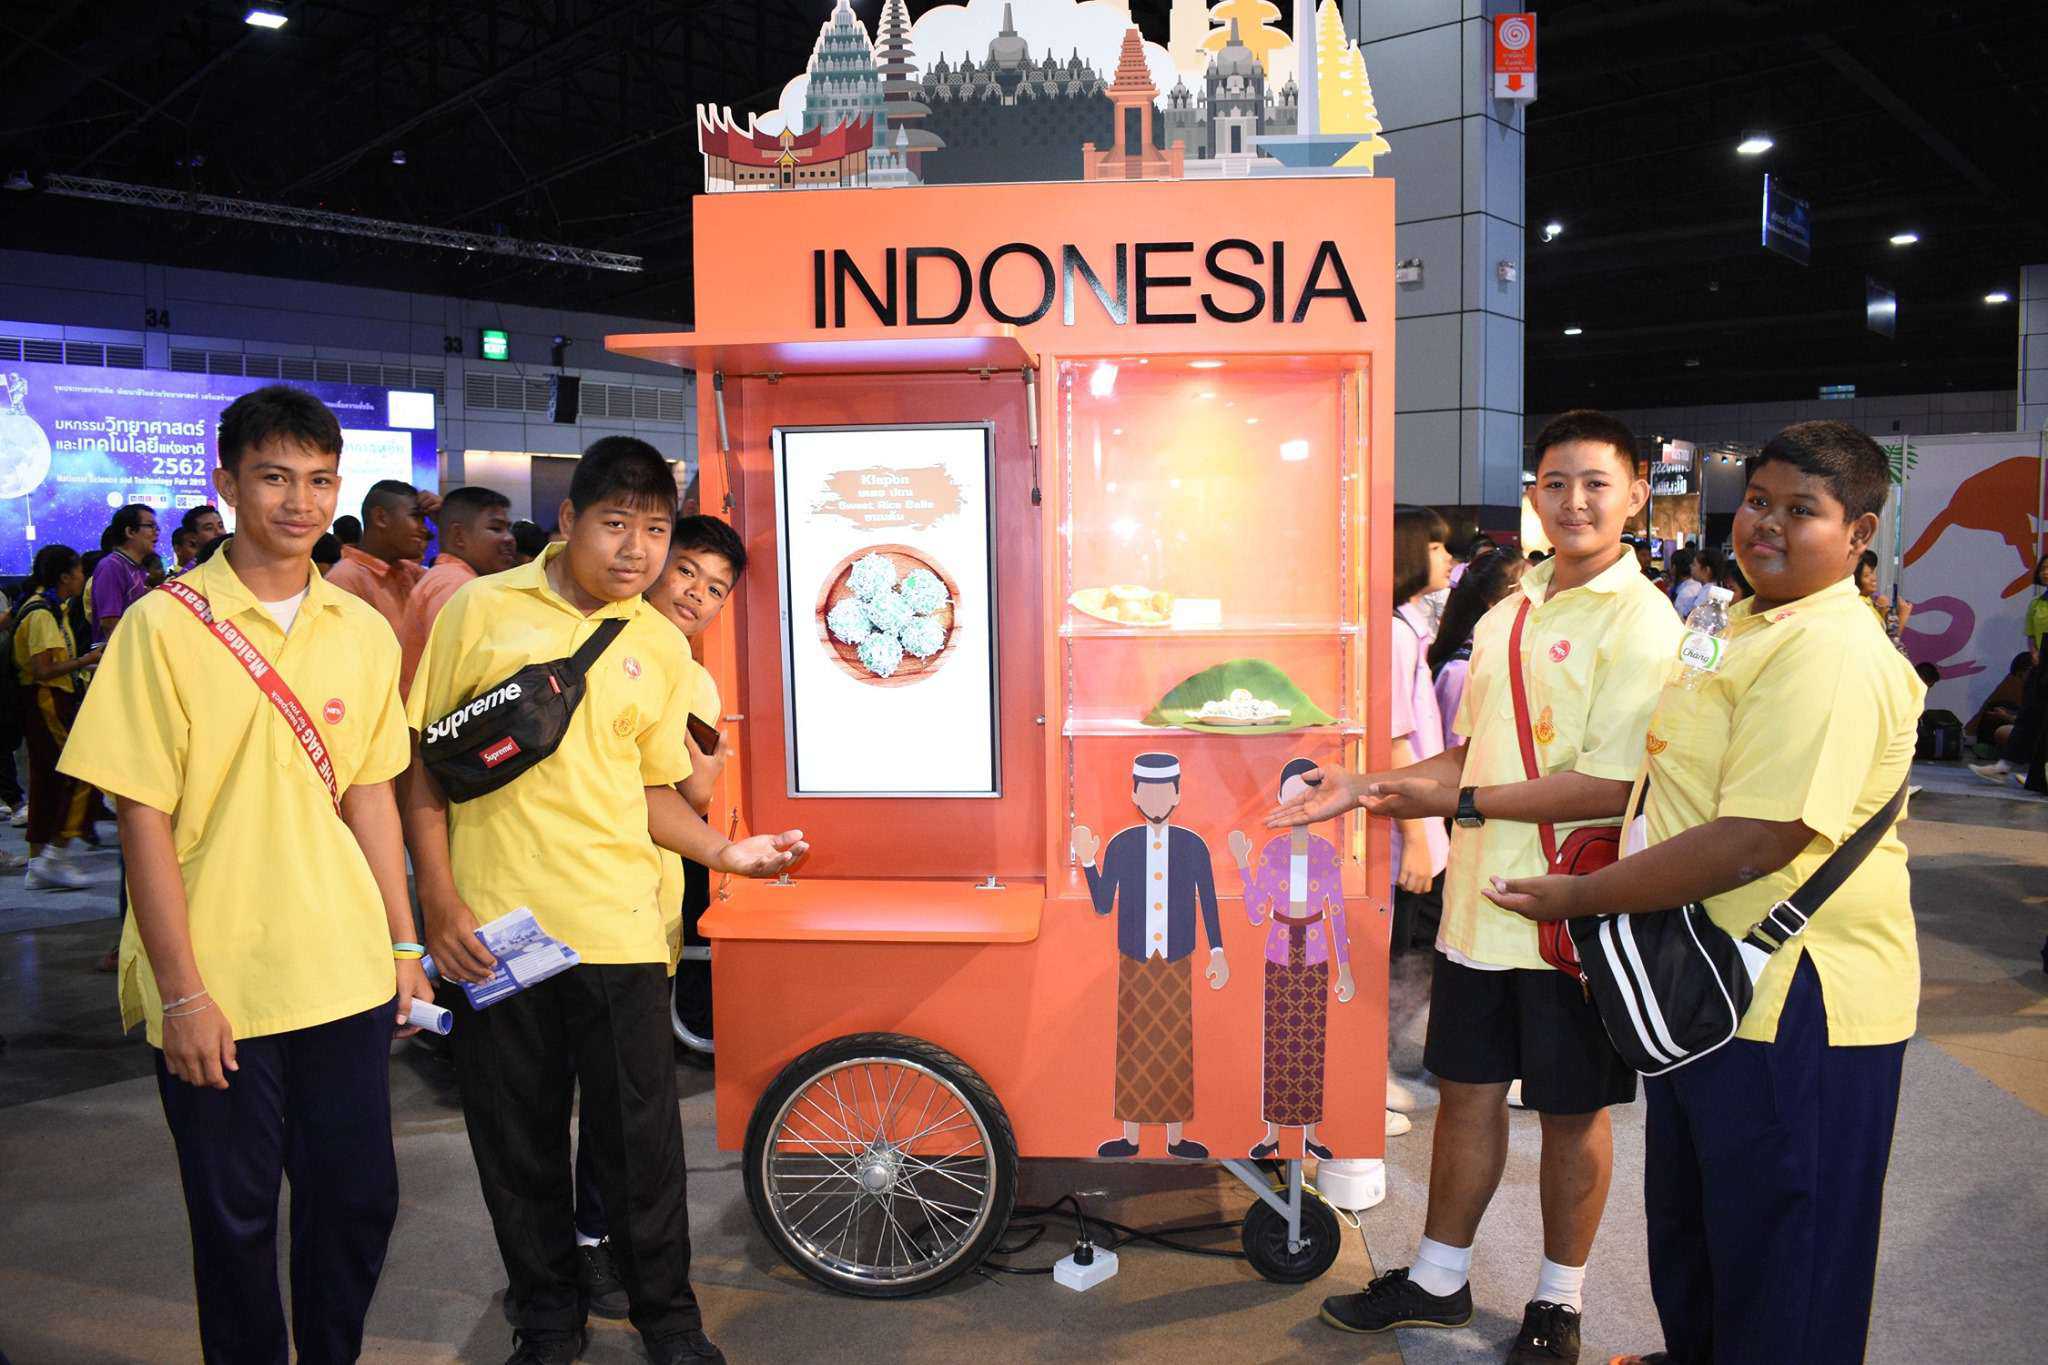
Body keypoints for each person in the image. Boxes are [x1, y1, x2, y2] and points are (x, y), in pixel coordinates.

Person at [1487, 420, 1923, 1365]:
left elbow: (1760, 837)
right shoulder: (1749, 624)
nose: (1765, 524)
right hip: (1710, 977)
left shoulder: (1830, 651)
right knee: (1699, 1219)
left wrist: (1583, 895)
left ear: (1859, 533)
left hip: (1796, 992)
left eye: (1801, 510)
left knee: (1783, 1245)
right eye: (1758, 501)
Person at [1286, 410, 1683, 1364]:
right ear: (1534, 495)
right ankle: (1438, 1278)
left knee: (1572, 1113)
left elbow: (1611, 783)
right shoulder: (1511, 608)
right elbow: (1474, 753)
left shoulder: (1642, 619)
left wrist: (1460, 803)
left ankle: (1559, 1300)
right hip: (1477, 914)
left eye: (1596, 483)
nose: (1574, 501)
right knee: (1466, 1095)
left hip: (1571, 912)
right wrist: (1369, 786)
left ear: (1636, 495)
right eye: (1556, 483)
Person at [402, 436, 805, 1365]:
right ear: (569, 519)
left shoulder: (658, 643)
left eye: (655, 530)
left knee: (641, 1144)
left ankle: (669, 1318)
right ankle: (547, 1319)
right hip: (497, 932)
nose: (637, 550)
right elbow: (425, 764)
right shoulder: (480, 610)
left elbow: (655, 788)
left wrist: (724, 852)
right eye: (617, 524)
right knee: (517, 1138)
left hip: (619, 927)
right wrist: (439, 903)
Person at [56, 384, 428, 1364]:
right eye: (274, 478)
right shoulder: (162, 626)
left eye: (319, 480)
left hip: (342, 969)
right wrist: (182, 992)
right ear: (226, 483)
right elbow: (143, 818)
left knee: (358, 1199)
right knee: (234, 1221)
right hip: (219, 978)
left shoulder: (360, 628)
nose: (300, 502)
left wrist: (404, 945)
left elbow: (373, 796)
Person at [563, 513, 747, 1318]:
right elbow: (688, 793)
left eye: (716, 589)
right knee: (577, 1100)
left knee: (616, 1101)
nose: (697, 595)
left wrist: (705, 787)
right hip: (567, 900)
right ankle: (576, 1254)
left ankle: (591, 1243)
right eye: (689, 573)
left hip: (632, 906)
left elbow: (687, 794)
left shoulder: (691, 678)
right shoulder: (590, 640)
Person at [1229, 757, 1355, 1159]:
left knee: (1311, 1041)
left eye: (1307, 794)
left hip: (1315, 952)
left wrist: (1345, 969)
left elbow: (1337, 910)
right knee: (1278, 1041)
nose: (1300, 802)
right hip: (1279, 950)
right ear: (1281, 798)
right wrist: (1243, 865)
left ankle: (1311, 1132)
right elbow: (1255, 911)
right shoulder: (1272, 850)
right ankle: (1272, 1131)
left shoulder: (1326, 852)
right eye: (1292, 794)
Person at [1387, 506, 1452, 974]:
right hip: (1407, 822)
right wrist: (1415, 838)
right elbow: (1394, 741)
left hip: (1418, 815)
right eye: (1436, 547)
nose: (1448, 558)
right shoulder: (1395, 634)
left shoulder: (1406, 629)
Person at [13, 546, 100, 887]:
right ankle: (54, 855)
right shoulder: (41, 614)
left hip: (48, 700)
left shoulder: (50, 607)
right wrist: (85, 661)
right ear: (65, 576)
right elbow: (43, 669)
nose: (82, 578)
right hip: (46, 700)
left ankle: (39, 863)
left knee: (46, 782)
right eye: (78, 572)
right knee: (79, 771)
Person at [396, 486, 516, 695]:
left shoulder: (454, 580)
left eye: (508, 528)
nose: (509, 538)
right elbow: (460, 682)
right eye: (496, 528)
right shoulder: (455, 585)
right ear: (459, 535)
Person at [1430, 545, 1527, 747]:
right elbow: (1455, 750)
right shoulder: (1462, 671)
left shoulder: (1504, 656)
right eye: (1527, 590)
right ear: (1494, 602)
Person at [1968, 552, 2048, 788]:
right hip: (2042, 667)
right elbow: (2031, 635)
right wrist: (2034, 653)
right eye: (2043, 568)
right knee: (2028, 718)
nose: (2045, 572)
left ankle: (2036, 775)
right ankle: (2003, 767)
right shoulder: (2037, 603)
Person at [326, 480, 433, 633]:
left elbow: (461, 594)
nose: (424, 529)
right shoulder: (344, 580)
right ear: (381, 518)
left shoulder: (410, 572)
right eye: (416, 517)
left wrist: (445, 519)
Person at [90, 503, 159, 640]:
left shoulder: (136, 567)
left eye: (157, 528)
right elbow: (110, 624)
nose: (156, 532)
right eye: (150, 526)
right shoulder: (111, 566)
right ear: (130, 532)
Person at [1673, 548, 1718, 619]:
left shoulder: (1708, 593)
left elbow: (1692, 619)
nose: (1690, 566)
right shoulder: (1706, 589)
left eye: (1694, 564)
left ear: (1706, 570)